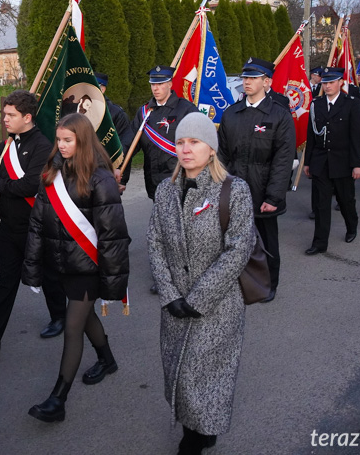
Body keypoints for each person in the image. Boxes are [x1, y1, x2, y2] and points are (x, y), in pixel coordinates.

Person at [147, 112, 255, 455]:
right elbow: (155, 242)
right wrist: (170, 294)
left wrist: (199, 298)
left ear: (212, 148)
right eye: (180, 142)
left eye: (194, 141)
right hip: (175, 304)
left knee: (201, 375)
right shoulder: (166, 190)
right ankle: (202, 428)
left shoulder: (234, 191)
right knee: (177, 371)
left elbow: (239, 249)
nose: (185, 149)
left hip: (217, 307)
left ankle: (193, 439)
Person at [22, 114, 130, 423]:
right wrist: (32, 268)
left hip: (90, 268)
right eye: (59, 140)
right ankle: (107, 360)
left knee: (72, 326)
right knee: (84, 318)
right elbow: (38, 224)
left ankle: (58, 399)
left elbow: (112, 237)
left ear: (82, 141)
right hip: (65, 264)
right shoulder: (53, 173)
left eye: (68, 140)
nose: (61, 146)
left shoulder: (101, 178)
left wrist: (112, 284)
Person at [0, 90, 67, 349]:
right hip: (8, 228)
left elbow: (29, 187)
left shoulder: (43, 147)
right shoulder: (6, 145)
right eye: (4, 114)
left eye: (11, 115)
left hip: (35, 229)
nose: (5, 120)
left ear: (28, 117)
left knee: (49, 277)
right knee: (7, 281)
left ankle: (60, 317)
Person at [218, 57, 295, 302]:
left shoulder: (279, 116)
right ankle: (239, 281)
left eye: (253, 78)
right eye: (245, 77)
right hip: (235, 189)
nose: (247, 82)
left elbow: (283, 160)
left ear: (267, 82)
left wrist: (274, 196)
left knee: (267, 241)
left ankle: (269, 284)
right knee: (233, 240)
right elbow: (222, 155)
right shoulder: (232, 113)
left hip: (263, 191)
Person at [304, 67, 360, 255]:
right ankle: (320, 242)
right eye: (325, 82)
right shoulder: (317, 104)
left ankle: (351, 226)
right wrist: (308, 162)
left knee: (345, 200)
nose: (328, 85)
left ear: (341, 83)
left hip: (343, 161)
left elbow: (357, 135)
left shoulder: (352, 104)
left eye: (331, 82)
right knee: (322, 204)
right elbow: (312, 135)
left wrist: (358, 164)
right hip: (321, 161)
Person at [123, 66, 199, 201]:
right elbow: (129, 144)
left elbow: (198, 146)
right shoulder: (144, 112)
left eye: (160, 84)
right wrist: (118, 168)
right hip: (153, 181)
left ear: (170, 84)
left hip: (181, 181)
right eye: (153, 84)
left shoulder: (186, 110)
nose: (155, 88)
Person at [96, 72, 135, 194]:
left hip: (107, 175)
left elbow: (125, 145)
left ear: (102, 89)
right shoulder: (80, 110)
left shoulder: (116, 114)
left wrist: (122, 177)